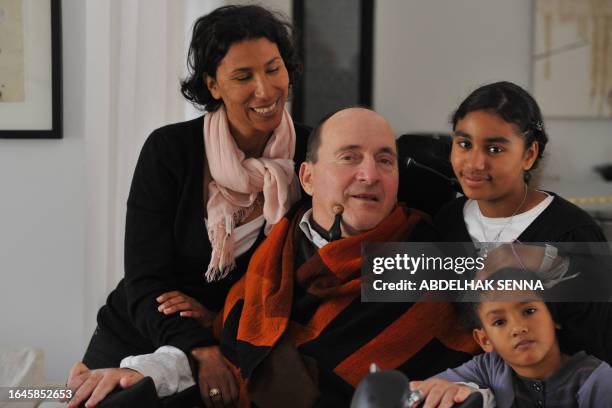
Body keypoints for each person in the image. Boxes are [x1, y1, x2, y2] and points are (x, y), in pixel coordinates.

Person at [65, 5, 310, 408]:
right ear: (213, 85)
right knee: (62, 396)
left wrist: (216, 320)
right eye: (243, 76)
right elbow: (145, 279)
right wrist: (200, 348)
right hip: (147, 327)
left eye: (273, 69)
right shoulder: (170, 150)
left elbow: (295, 277)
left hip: (238, 334)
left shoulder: (312, 154)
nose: (265, 90)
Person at [211, 107, 478, 407]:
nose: (370, 175)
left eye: (385, 160)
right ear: (308, 178)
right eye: (349, 157)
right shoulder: (272, 252)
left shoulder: (434, 258)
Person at [434, 81, 612, 364]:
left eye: (494, 150)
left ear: (528, 155)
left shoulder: (574, 233)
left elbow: (594, 351)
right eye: (464, 144)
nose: (475, 163)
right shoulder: (446, 220)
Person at [412, 268, 612, 408]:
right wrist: (448, 389)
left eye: (529, 311)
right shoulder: (490, 367)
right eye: (499, 322)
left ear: (553, 317)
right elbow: (428, 388)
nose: (518, 328)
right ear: (484, 340)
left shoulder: (596, 379)